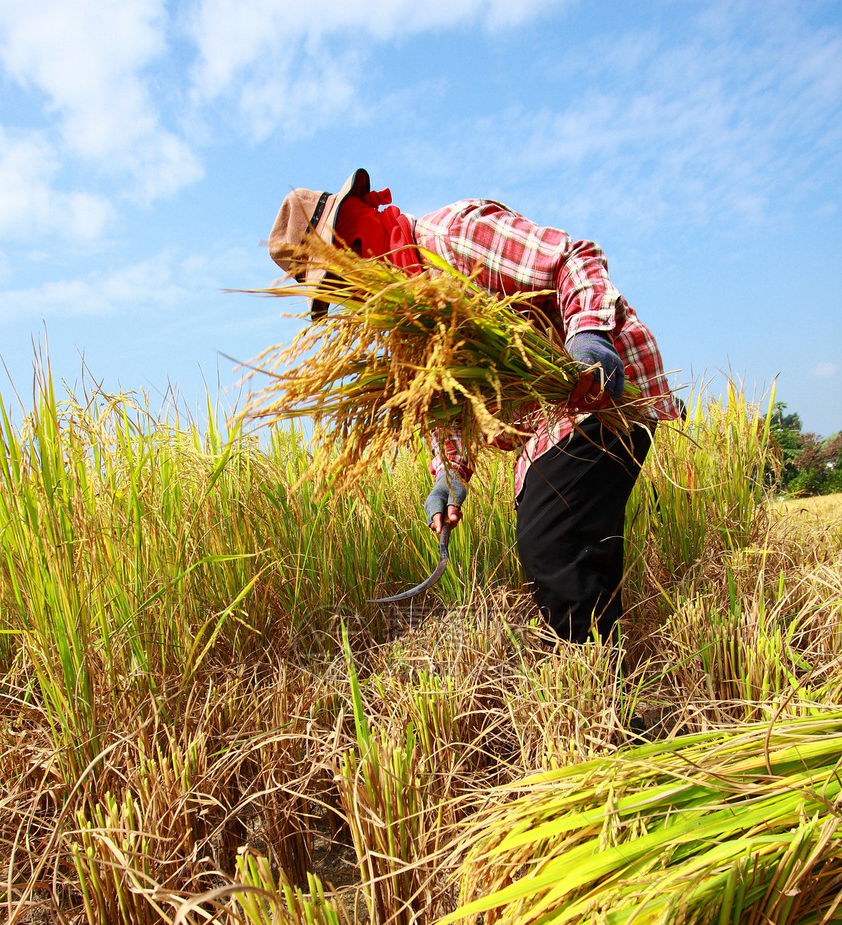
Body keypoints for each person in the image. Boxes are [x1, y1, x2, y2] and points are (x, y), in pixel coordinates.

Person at [268, 168, 679, 643]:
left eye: (336, 281)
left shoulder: (450, 236)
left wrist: (588, 335)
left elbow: (571, 258)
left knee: (553, 544)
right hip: (549, 423)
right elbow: (449, 408)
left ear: (354, 242)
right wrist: (450, 474)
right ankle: (611, 687)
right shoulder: (414, 324)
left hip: (601, 390)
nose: (346, 298)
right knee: (568, 548)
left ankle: (596, 691)